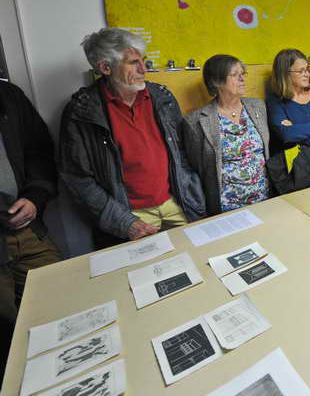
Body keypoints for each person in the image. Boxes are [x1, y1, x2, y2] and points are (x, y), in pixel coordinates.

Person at [60, 28, 205, 248]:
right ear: (105, 68)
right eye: (134, 62)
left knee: (198, 255)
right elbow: (77, 178)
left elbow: (183, 152)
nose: (144, 69)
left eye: (143, 60)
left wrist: (192, 193)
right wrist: (124, 222)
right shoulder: (81, 112)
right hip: (131, 215)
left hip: (177, 204)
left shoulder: (162, 97)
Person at [0, 80, 62, 328]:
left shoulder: (8, 95)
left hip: (26, 229)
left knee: (61, 299)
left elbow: (39, 151)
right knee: (7, 330)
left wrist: (35, 197)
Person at [184, 54, 270, 215]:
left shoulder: (258, 107)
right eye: (235, 75)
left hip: (265, 198)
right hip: (227, 206)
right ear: (216, 82)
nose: (242, 79)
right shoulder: (196, 121)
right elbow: (198, 166)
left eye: (243, 73)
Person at [266, 49, 310, 183]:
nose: (307, 74)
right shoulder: (275, 102)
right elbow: (286, 134)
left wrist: (298, 133)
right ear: (285, 73)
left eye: (307, 69)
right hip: (295, 177)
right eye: (300, 71)